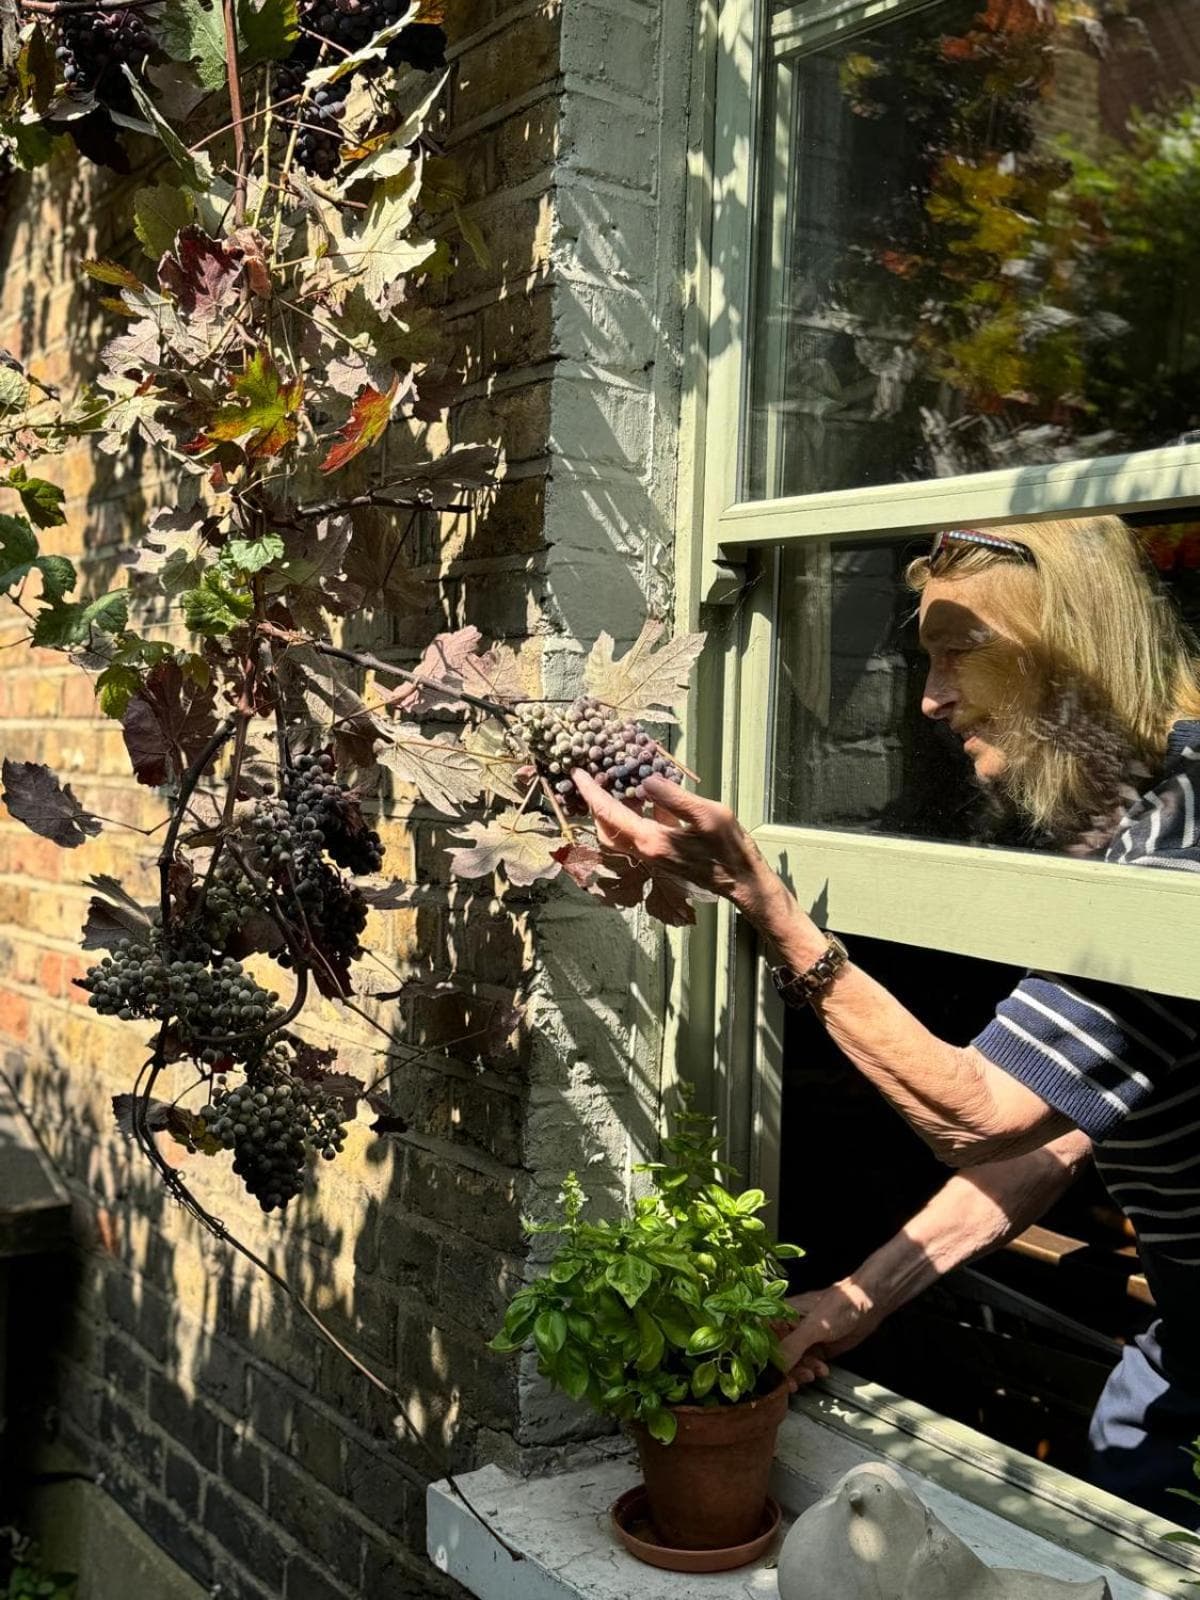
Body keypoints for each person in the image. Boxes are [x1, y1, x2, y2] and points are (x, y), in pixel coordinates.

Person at [572, 516, 1200, 1525]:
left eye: (961, 650)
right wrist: (856, 1299)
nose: (930, 698)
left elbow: (981, 1115)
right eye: (927, 656)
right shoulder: (1133, 807)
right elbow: (1058, 1131)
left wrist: (771, 908)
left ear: (1068, 646)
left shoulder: (1179, 840)